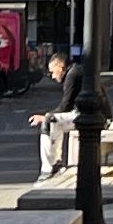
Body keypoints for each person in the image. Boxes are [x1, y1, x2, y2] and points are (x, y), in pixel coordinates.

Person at [32, 48, 82, 180]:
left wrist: (46, 116)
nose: (52, 76)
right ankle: (55, 163)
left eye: (53, 72)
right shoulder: (74, 71)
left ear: (60, 67)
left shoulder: (72, 75)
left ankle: (48, 169)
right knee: (53, 122)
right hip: (86, 113)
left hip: (89, 116)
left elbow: (66, 105)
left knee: (49, 121)